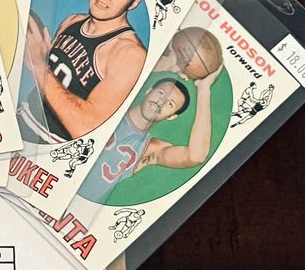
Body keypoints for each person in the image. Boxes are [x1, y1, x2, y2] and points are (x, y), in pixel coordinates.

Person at [21, 0, 148, 143]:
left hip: (52, 146)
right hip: (23, 117)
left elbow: (86, 128)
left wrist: (39, 66)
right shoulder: (72, 21)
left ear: (133, 3)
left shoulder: (130, 54)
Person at [79, 59, 223, 205]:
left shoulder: (149, 149)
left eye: (170, 103)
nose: (161, 101)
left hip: (74, 209)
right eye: (161, 93)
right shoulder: (108, 107)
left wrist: (203, 89)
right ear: (148, 90)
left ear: (172, 116)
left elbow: (196, 156)